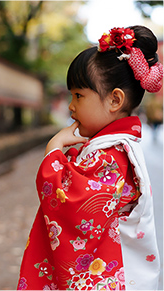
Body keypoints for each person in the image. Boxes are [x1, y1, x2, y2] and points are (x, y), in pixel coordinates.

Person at [17, 25, 163, 290]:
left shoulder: (113, 155)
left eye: (79, 95)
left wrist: (54, 150)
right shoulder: (113, 150)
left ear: (114, 100)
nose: (71, 106)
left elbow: (68, 201)